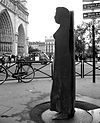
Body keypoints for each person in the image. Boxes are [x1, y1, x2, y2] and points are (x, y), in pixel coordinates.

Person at [50, 7, 75, 120]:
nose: (54, 16)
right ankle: (63, 109)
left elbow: (65, 49)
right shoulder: (64, 29)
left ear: (62, 16)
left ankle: (65, 111)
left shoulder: (65, 30)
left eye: (56, 14)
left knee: (63, 85)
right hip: (61, 61)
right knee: (61, 85)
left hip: (63, 62)